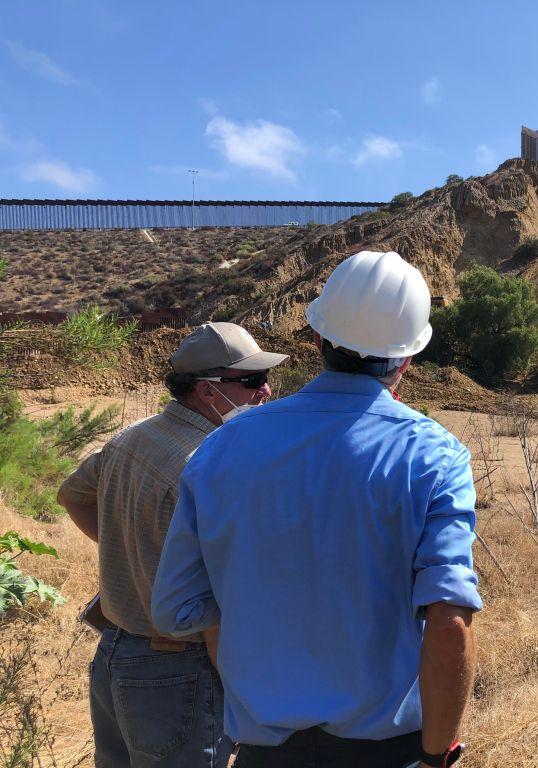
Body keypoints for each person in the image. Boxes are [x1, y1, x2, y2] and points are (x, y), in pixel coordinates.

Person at [151, 250, 482, 768]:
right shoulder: (434, 456)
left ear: (317, 339)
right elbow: (449, 622)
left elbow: (180, 608)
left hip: (265, 751)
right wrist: (437, 755)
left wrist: (255, 698)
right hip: (389, 754)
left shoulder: (223, 444)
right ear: (409, 358)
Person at [57, 321, 288, 768]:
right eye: (253, 381)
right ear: (207, 391)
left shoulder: (133, 437)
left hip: (114, 653)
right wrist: (246, 700)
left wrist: (134, 550)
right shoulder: (208, 466)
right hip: (177, 672)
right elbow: (214, 609)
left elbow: (71, 494)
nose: (266, 391)